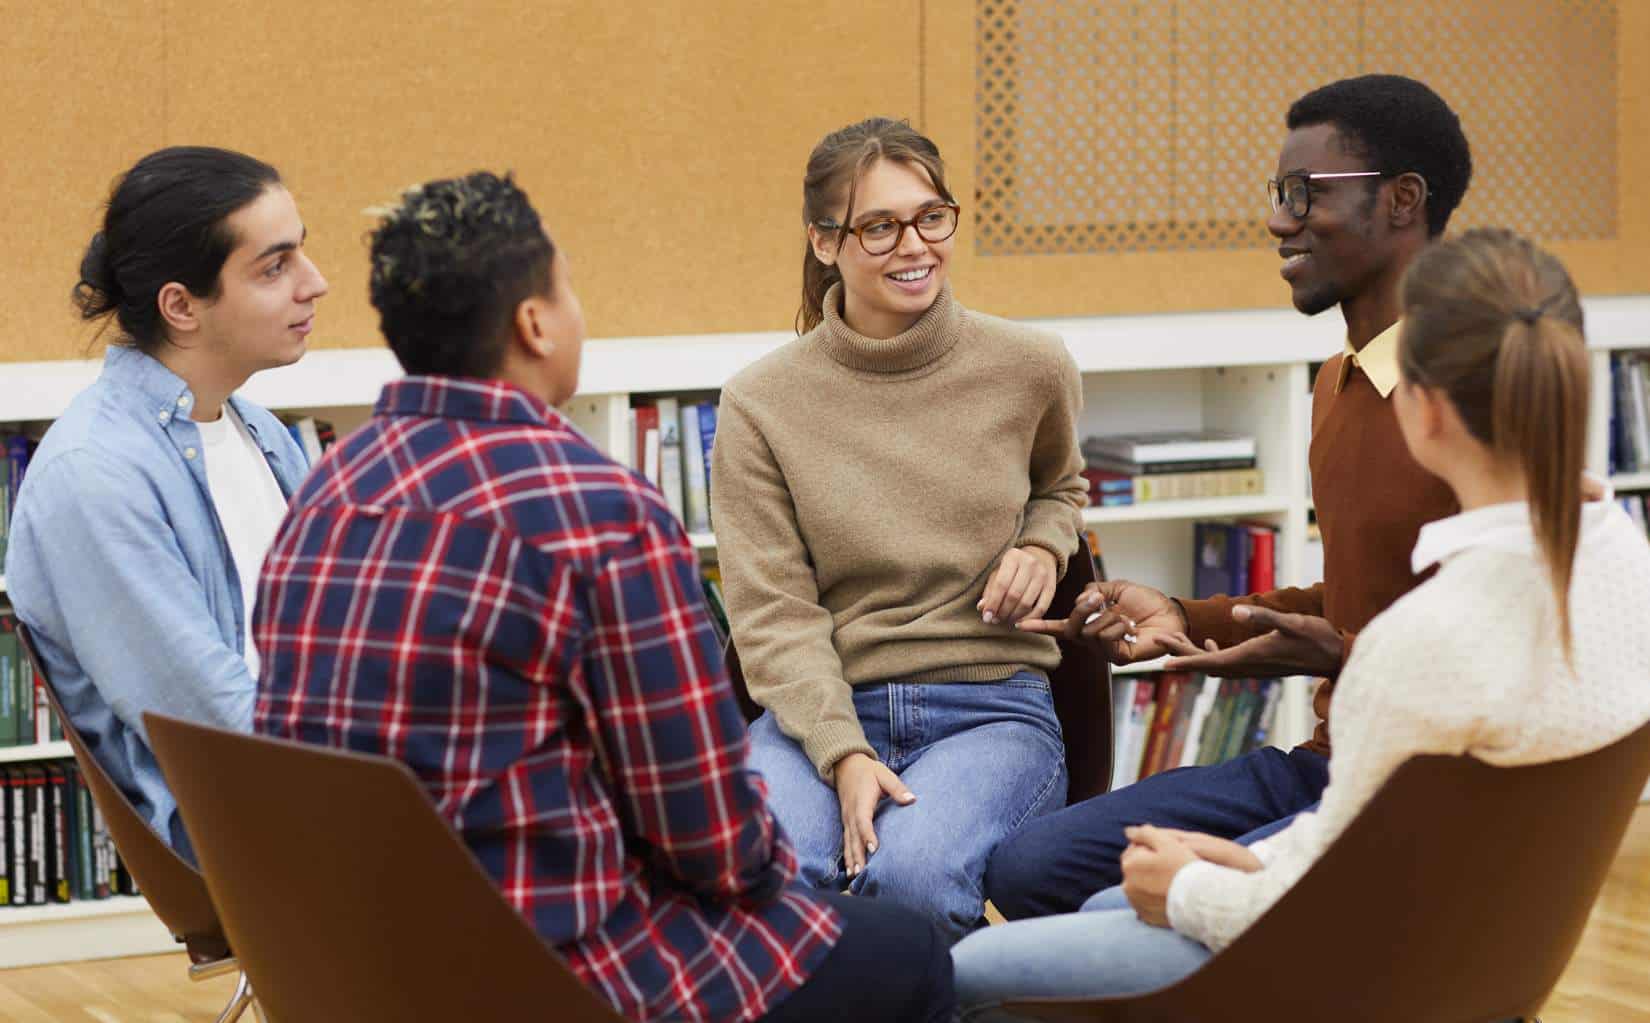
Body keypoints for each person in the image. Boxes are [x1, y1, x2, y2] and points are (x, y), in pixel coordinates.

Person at [252, 171, 954, 1023]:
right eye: (569, 286)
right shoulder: (598, 511)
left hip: (359, 965)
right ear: (535, 323)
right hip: (551, 974)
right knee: (909, 948)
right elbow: (711, 835)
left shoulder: (325, 493)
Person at [953, 227, 1650, 1016]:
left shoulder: (1422, 639)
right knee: (1092, 895)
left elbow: (1330, 900)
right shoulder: (1625, 556)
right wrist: (1226, 860)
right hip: (1472, 946)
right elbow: (1352, 846)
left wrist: (1190, 885)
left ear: (1421, 411)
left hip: (1353, 965)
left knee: (975, 967)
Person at [987, 74, 1472, 918]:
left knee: (1128, 905)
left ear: (1402, 201)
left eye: (1303, 193)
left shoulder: (1484, 395)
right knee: (1030, 866)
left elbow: (1527, 648)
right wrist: (1184, 614)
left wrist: (1341, 653)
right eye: (1277, 193)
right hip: (1329, 762)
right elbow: (1362, 595)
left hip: (1435, 790)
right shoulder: (1337, 385)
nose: (1279, 219)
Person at [710, 117, 1088, 943]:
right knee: (760, 876)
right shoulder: (760, 404)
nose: (913, 244)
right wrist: (843, 752)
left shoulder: (1031, 365)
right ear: (823, 242)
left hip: (991, 705)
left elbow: (1061, 486)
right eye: (878, 226)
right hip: (827, 706)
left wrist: (1041, 543)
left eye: (931, 216)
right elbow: (773, 615)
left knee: (911, 880)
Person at [5, 147, 325, 854]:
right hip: (251, 828)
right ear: (180, 305)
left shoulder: (262, 433)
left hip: (320, 787)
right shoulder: (95, 474)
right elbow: (211, 726)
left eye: (302, 254)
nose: (316, 283)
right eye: (275, 267)